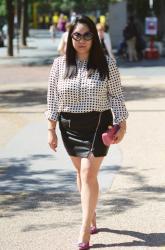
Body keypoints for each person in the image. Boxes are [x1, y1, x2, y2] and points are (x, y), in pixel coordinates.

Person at [45, 15, 128, 250]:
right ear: (70, 37)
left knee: (88, 172)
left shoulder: (106, 64)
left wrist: (122, 123)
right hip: (69, 126)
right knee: (81, 176)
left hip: (98, 122)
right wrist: (51, 129)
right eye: (77, 35)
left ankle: (84, 230)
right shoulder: (59, 65)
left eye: (87, 35)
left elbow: (117, 96)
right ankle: (90, 213)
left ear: (95, 37)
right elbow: (52, 99)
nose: (82, 40)